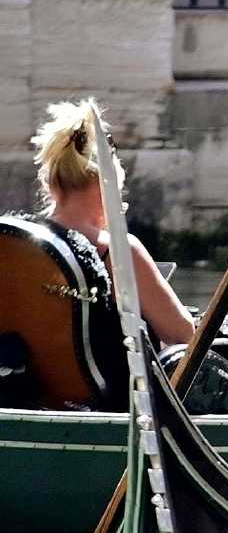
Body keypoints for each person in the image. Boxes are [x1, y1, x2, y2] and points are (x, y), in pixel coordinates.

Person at [31, 97, 194, 347]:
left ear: (51, 186)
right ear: (107, 188)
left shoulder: (20, 245)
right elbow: (183, 336)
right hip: (105, 385)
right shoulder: (118, 251)